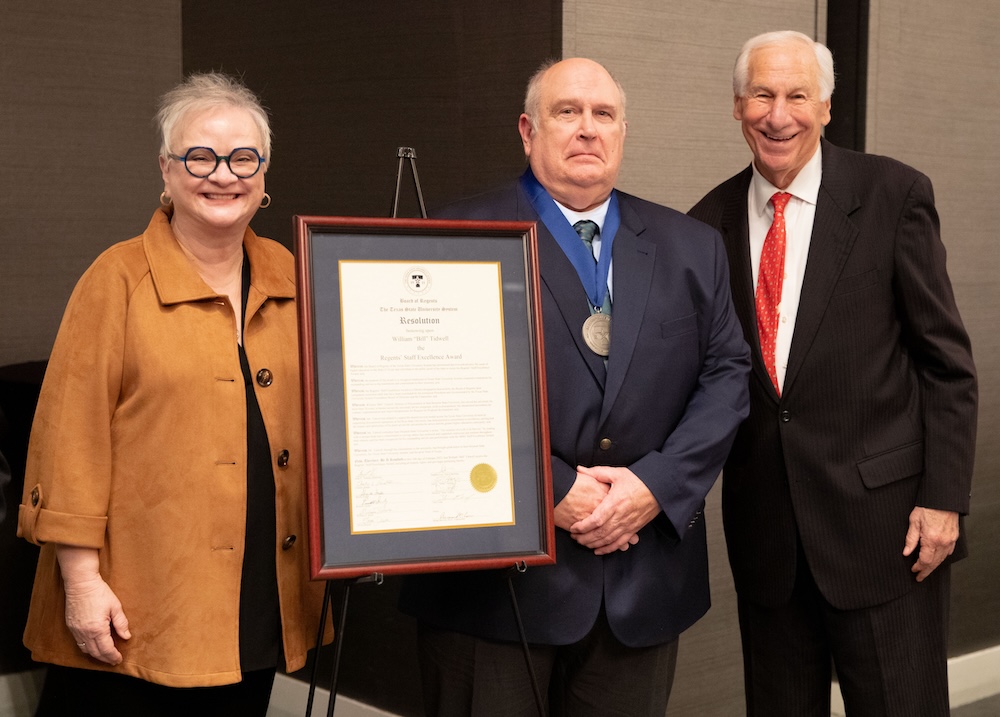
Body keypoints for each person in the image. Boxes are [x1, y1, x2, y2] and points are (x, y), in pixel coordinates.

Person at [400, 57, 751, 716]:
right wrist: (547, 491)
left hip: (642, 578)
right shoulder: (451, 238)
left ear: (622, 133)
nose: (588, 128)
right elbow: (422, 391)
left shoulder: (691, 245)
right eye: (568, 112)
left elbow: (727, 375)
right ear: (529, 131)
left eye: (604, 114)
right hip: (493, 590)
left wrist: (656, 484)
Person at [17, 72, 327, 716]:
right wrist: (80, 583)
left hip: (262, 593)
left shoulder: (297, 274)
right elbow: (69, 439)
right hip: (136, 602)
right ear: (166, 168)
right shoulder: (117, 278)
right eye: (199, 156)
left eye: (244, 157)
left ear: (264, 173)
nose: (223, 175)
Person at [688, 30, 978, 717]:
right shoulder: (706, 225)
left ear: (824, 107)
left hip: (887, 533)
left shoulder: (892, 194)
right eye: (761, 94)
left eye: (796, 95)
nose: (778, 114)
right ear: (737, 106)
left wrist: (944, 501)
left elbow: (947, 365)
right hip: (769, 543)